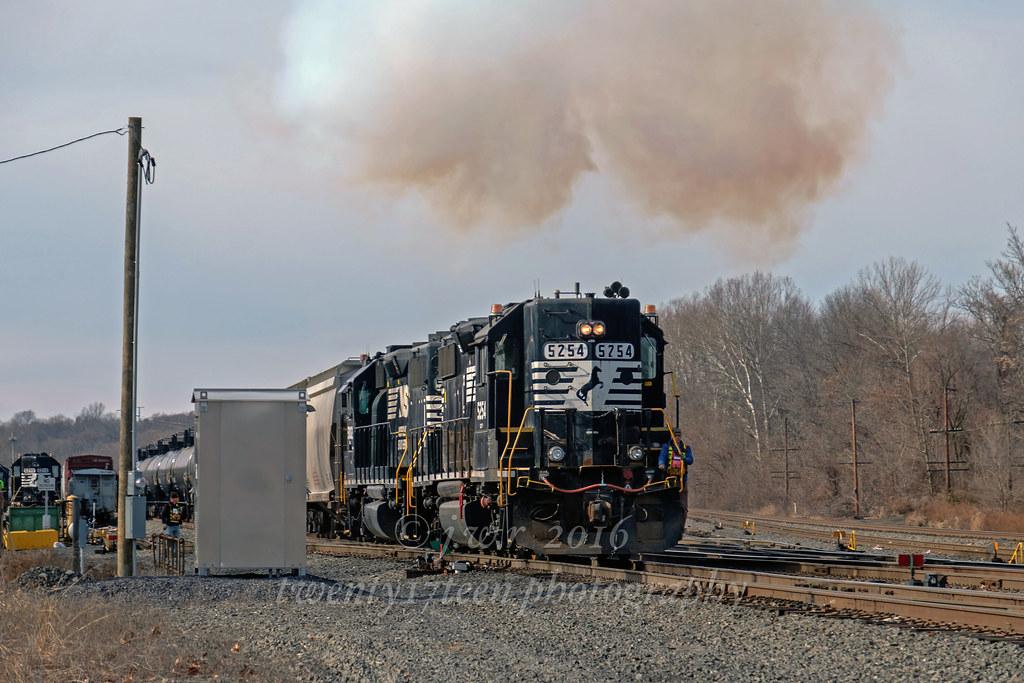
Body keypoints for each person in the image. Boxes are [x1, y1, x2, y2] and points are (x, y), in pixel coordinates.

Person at [658, 429, 693, 527]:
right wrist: (661, 464)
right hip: (669, 481)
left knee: (683, 506)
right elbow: (662, 456)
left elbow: (691, 460)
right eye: (675, 435)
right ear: (671, 437)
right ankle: (667, 527)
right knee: (668, 505)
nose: (677, 438)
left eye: (679, 435)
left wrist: (685, 458)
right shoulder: (667, 447)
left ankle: (680, 528)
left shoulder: (686, 448)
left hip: (682, 481)